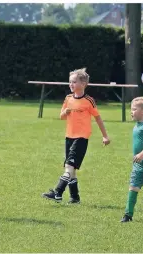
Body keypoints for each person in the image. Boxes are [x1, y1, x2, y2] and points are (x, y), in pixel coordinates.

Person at [41, 68, 110, 204]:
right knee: (71, 170)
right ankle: (75, 197)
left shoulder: (89, 101)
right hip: (69, 136)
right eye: (70, 82)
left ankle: (58, 192)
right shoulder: (68, 98)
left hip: (81, 137)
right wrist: (65, 112)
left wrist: (105, 136)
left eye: (74, 82)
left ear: (83, 84)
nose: (71, 84)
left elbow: (98, 118)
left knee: (69, 166)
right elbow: (61, 117)